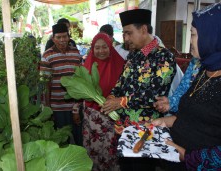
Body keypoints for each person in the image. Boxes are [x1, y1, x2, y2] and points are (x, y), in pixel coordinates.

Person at [101, 9, 177, 171]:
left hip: (145, 130)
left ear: (143, 29)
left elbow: (155, 95)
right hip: (123, 128)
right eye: (124, 34)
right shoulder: (133, 55)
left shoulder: (163, 56)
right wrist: (113, 95)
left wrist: (121, 102)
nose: (126, 39)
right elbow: (122, 81)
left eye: (129, 33)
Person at [153, 3, 221, 170]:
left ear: (213, 37)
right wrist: (163, 121)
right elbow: (191, 118)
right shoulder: (204, 71)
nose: (190, 41)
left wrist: (186, 155)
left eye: (194, 35)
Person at [82, 33, 125, 171]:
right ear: (92, 49)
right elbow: (79, 90)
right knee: (93, 150)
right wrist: (76, 111)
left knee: (110, 151)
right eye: (97, 48)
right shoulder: (86, 65)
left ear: (110, 47)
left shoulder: (121, 65)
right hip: (92, 117)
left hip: (113, 116)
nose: (101, 51)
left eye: (104, 47)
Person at [40, 23, 81, 144]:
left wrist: (77, 106)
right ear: (53, 39)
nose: (62, 40)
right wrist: (48, 108)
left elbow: (80, 78)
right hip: (57, 107)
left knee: (80, 138)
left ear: (69, 37)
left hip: (75, 106)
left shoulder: (76, 52)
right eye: (59, 37)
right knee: (62, 141)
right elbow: (44, 83)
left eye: (65, 36)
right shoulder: (47, 55)